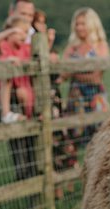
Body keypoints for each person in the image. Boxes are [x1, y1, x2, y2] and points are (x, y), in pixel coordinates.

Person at [34, 10, 78, 199]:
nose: (42, 27)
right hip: (44, 101)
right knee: (51, 143)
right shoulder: (34, 46)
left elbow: (58, 73)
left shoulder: (50, 51)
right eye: (38, 23)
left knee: (64, 139)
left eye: (44, 23)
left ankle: (69, 180)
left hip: (56, 101)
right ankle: (56, 187)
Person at [61, 7, 110, 145]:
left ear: (91, 25)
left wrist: (74, 71)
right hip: (76, 96)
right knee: (76, 133)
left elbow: (96, 75)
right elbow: (63, 73)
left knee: (100, 133)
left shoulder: (100, 45)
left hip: (95, 94)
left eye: (83, 24)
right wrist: (82, 71)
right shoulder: (72, 46)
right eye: (77, 24)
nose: (79, 27)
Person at [0, 0, 35, 123]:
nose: (27, 19)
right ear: (12, 12)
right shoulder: (2, 42)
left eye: (30, 15)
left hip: (24, 85)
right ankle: (7, 114)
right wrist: (12, 32)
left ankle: (31, 116)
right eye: (23, 14)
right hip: (6, 92)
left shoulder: (31, 41)